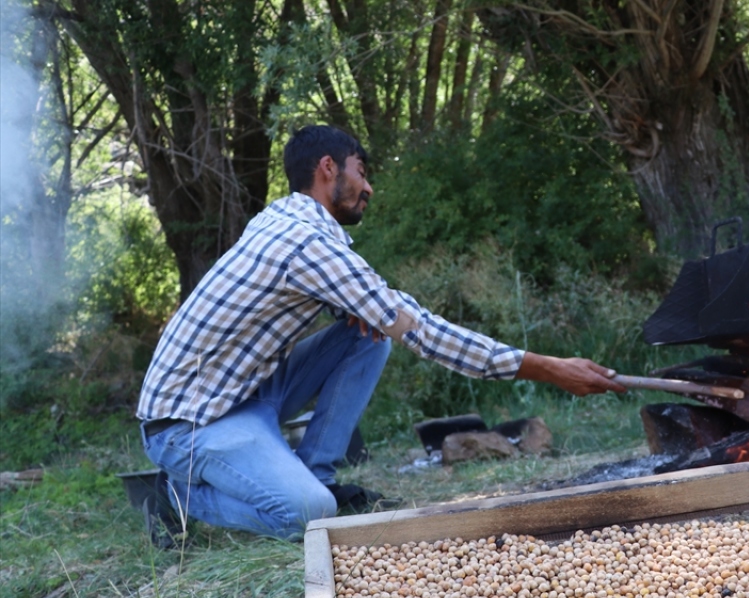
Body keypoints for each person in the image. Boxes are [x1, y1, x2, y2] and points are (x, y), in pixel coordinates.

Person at [136, 125, 626, 547]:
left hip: (241, 392)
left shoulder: (285, 221)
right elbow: (420, 330)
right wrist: (548, 368)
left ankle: (317, 473)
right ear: (329, 168)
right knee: (310, 515)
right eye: (361, 171)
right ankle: (179, 496)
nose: (368, 187)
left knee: (368, 335)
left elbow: (385, 316)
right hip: (190, 423)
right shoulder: (304, 242)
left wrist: (369, 313)